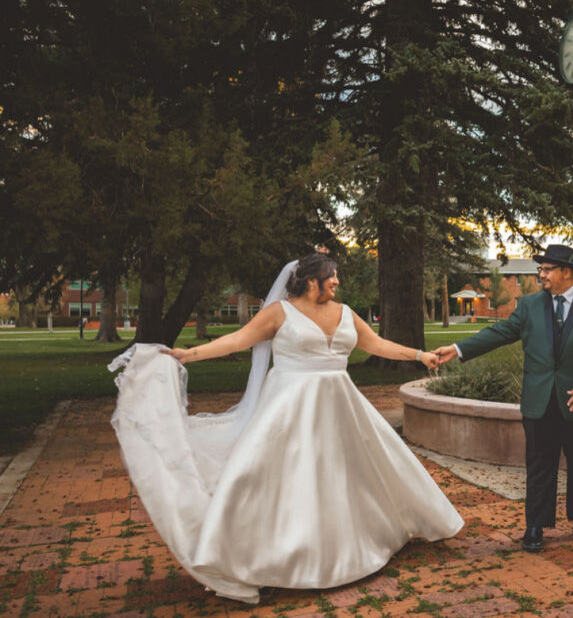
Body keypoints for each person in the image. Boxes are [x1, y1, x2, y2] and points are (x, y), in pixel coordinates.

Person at [108, 254, 463, 604]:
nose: (337, 281)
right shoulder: (279, 313)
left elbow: (377, 344)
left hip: (341, 404)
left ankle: (352, 546)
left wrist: (420, 356)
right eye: (332, 275)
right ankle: (271, 555)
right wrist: (191, 354)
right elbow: (237, 340)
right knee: (281, 479)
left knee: (351, 473)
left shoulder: (346, 313)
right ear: (311, 280)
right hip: (289, 408)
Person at [433, 244, 573, 552]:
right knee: (538, 464)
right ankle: (535, 526)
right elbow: (499, 333)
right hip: (540, 400)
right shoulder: (529, 305)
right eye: (541, 269)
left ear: (567, 272)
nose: (541, 275)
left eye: (547, 270)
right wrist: (457, 349)